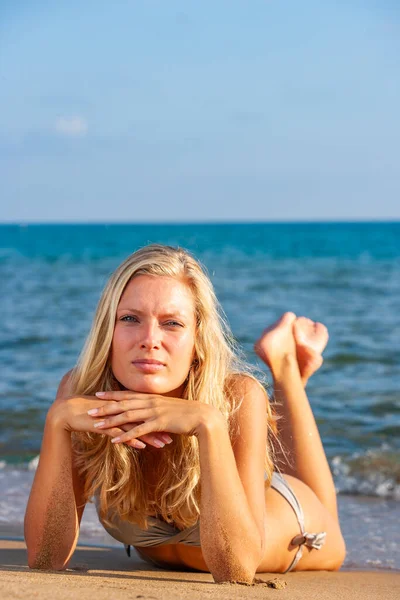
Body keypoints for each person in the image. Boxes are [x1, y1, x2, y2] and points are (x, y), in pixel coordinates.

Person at [24, 244, 346, 583]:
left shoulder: (235, 397)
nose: (149, 340)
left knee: (327, 517)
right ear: (108, 330)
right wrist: (57, 422)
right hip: (170, 555)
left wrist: (208, 424)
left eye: (172, 323)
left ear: (198, 340)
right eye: (130, 319)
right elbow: (45, 557)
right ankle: (287, 363)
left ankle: (286, 367)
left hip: (287, 519)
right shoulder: (79, 394)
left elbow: (235, 571)